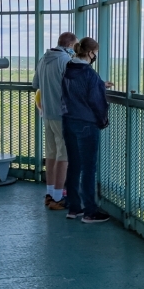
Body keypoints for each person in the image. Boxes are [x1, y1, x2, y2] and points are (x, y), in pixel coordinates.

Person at [61, 37, 111, 224]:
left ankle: (74, 207)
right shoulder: (90, 74)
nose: (95, 56)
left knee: (74, 165)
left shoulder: (68, 70)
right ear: (90, 53)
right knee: (89, 168)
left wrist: (99, 84)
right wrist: (103, 121)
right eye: (95, 53)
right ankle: (90, 211)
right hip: (86, 123)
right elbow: (96, 102)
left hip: (68, 120)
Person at [32, 32, 77, 211]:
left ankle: (50, 193)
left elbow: (36, 84)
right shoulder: (66, 61)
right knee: (63, 156)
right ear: (71, 45)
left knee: (51, 154)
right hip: (62, 114)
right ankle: (59, 197)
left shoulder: (44, 59)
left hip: (47, 113)